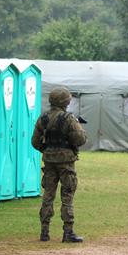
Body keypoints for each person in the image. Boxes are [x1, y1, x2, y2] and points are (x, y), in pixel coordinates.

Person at [31, 86, 88, 243]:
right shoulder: (68, 119)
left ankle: (44, 232)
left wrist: (48, 150)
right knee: (67, 195)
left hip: (49, 162)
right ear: (65, 102)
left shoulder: (43, 118)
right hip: (66, 163)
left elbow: (35, 142)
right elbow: (80, 140)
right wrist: (80, 129)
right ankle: (68, 232)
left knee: (48, 195)